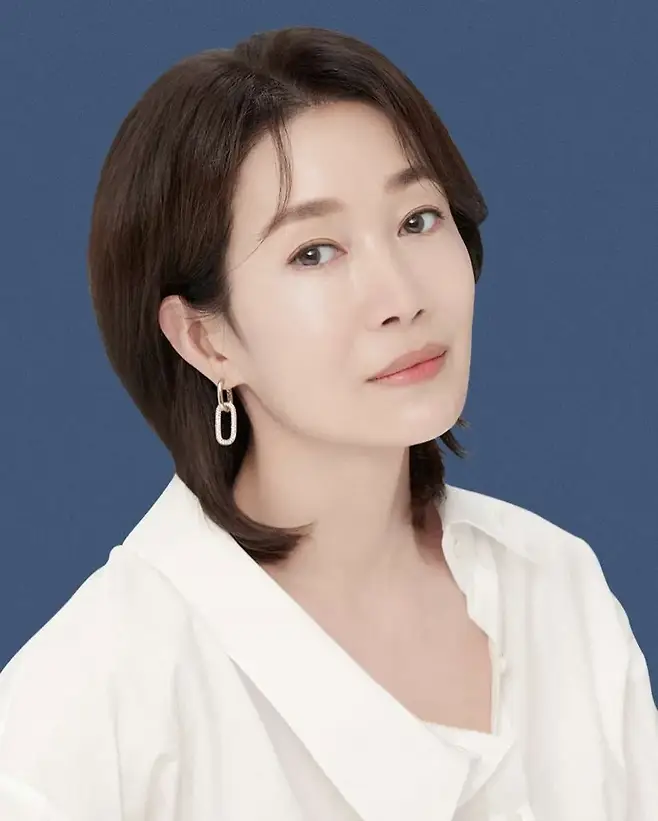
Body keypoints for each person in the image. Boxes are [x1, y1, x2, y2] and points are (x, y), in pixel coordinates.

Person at [0, 25, 655, 821]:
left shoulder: (556, 586)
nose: (402, 297)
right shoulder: (90, 701)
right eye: (314, 252)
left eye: (417, 219)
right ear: (206, 339)